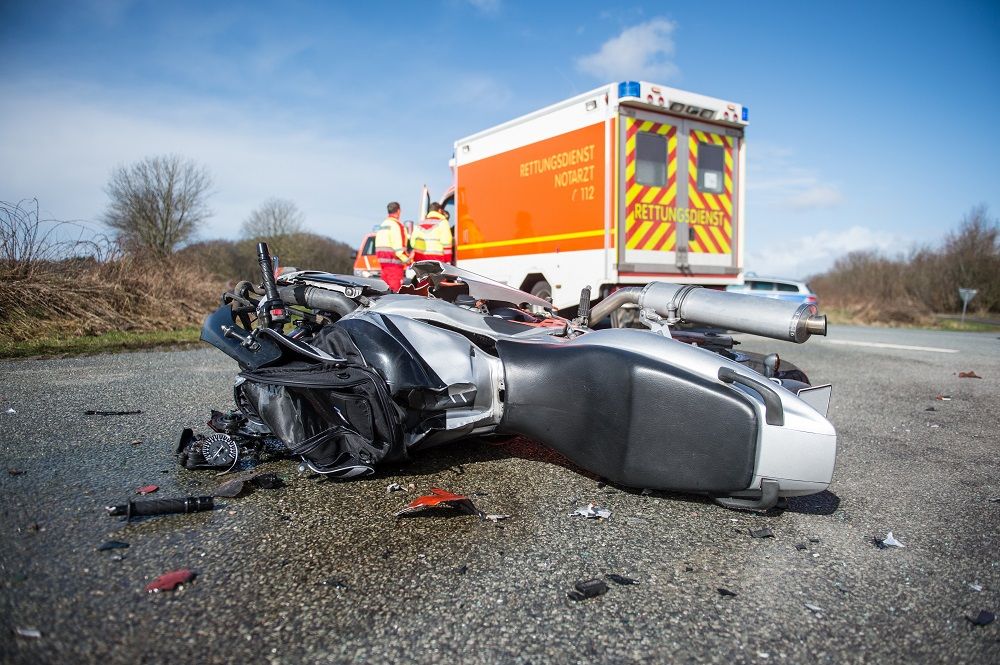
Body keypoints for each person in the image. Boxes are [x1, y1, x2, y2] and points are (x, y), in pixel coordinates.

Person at [374, 201, 410, 291]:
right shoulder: (397, 225)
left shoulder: (383, 225)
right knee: (395, 293)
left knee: (384, 292)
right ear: (398, 211)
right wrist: (409, 261)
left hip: (383, 264)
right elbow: (399, 250)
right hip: (394, 265)